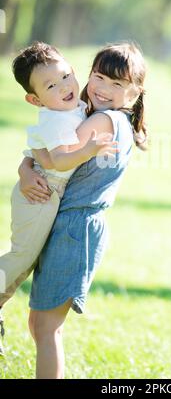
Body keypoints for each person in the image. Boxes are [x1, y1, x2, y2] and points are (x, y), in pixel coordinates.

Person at [16, 42, 147, 378]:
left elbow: (54, 156)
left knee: (47, 328)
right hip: (70, 225)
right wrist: (27, 167)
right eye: (99, 77)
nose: (103, 89)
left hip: (75, 229)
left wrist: (29, 166)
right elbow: (50, 151)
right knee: (40, 325)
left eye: (117, 85)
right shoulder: (95, 116)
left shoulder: (102, 123)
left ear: (133, 94)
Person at [0, 42, 117, 357]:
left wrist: (25, 167)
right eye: (52, 85)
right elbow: (58, 161)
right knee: (23, 255)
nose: (64, 87)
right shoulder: (54, 118)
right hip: (40, 192)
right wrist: (88, 151)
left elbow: (34, 153)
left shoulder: (73, 108)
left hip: (43, 189)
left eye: (66, 76)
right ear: (35, 99)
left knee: (27, 260)